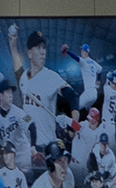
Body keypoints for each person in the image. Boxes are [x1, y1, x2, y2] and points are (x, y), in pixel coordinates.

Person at [6, 24, 72, 154]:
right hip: (29, 148)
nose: (43, 52)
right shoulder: (24, 78)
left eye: (44, 48)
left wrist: (73, 121)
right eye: (38, 48)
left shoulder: (51, 76)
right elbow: (18, 71)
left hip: (47, 147)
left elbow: (72, 96)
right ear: (29, 53)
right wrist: (13, 46)